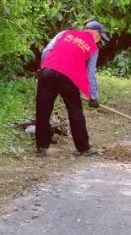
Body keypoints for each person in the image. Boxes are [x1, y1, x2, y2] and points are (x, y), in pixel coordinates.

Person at [34, 20, 110, 157]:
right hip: (68, 78)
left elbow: (47, 51)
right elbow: (90, 74)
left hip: (48, 71)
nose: (99, 41)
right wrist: (93, 97)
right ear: (95, 33)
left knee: (43, 109)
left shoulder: (65, 33)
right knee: (75, 111)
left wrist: (45, 68)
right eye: (100, 37)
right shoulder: (93, 48)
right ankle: (84, 148)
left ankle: (41, 146)